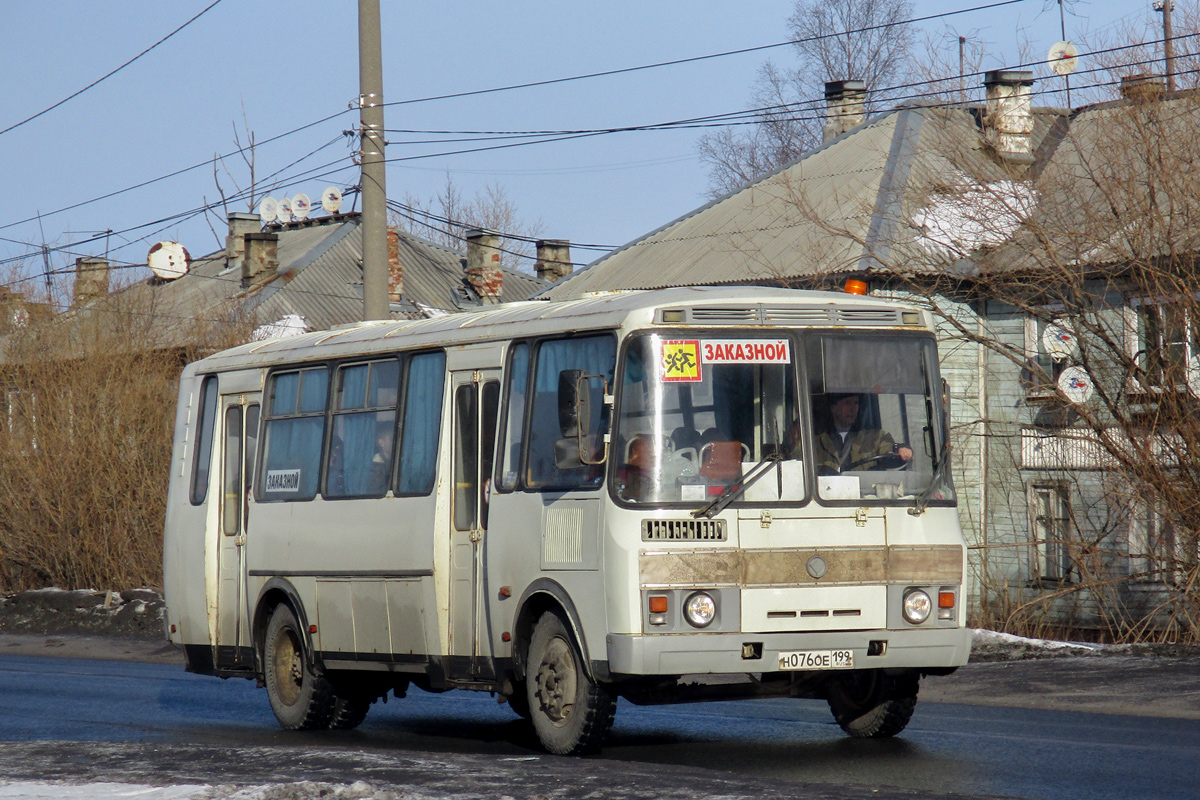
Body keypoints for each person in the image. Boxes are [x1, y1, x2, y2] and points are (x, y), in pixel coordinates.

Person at [815, 393, 912, 474]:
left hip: (865, 495)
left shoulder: (875, 438)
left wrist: (901, 450)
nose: (852, 409)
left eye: (856, 403)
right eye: (847, 403)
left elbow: (889, 449)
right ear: (833, 407)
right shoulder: (814, 443)